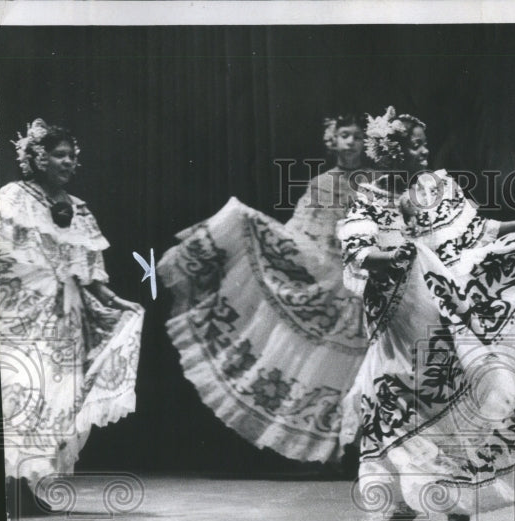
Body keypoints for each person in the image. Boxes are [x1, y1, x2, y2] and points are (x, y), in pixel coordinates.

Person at [338, 107, 515, 521]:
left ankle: (456, 496)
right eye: (416, 144)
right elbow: (355, 248)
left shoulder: (439, 187)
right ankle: (405, 500)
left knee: (447, 395)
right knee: (390, 398)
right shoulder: (369, 197)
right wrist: (391, 256)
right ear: (393, 151)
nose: (426, 151)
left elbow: (475, 231)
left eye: (425, 142)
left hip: (441, 308)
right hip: (397, 319)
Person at [156, 114, 369, 464]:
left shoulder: (378, 182)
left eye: (357, 136)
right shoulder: (321, 184)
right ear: (332, 141)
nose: (351, 142)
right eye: (344, 135)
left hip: (363, 278)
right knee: (329, 363)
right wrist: (277, 245)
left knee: (361, 364)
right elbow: (301, 231)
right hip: (330, 278)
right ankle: (339, 449)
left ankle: (362, 446)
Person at [0, 119, 144, 517]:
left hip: (64, 320)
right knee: (23, 391)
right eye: (61, 155)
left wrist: (118, 302)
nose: (69, 162)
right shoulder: (14, 198)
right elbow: (5, 254)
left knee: (55, 398)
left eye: (73, 156)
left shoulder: (77, 208)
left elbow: (90, 271)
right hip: (21, 315)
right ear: (38, 157)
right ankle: (10, 484)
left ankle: (28, 485)